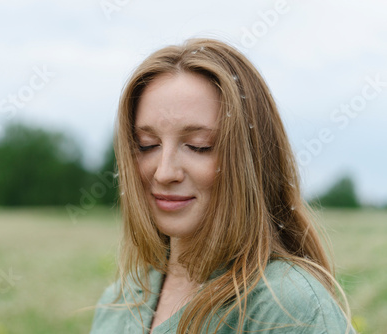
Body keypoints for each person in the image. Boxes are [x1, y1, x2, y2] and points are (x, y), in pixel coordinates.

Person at [89, 38, 355, 334]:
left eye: (198, 146)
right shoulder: (117, 303)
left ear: (251, 160)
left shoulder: (288, 308)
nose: (164, 173)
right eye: (147, 145)